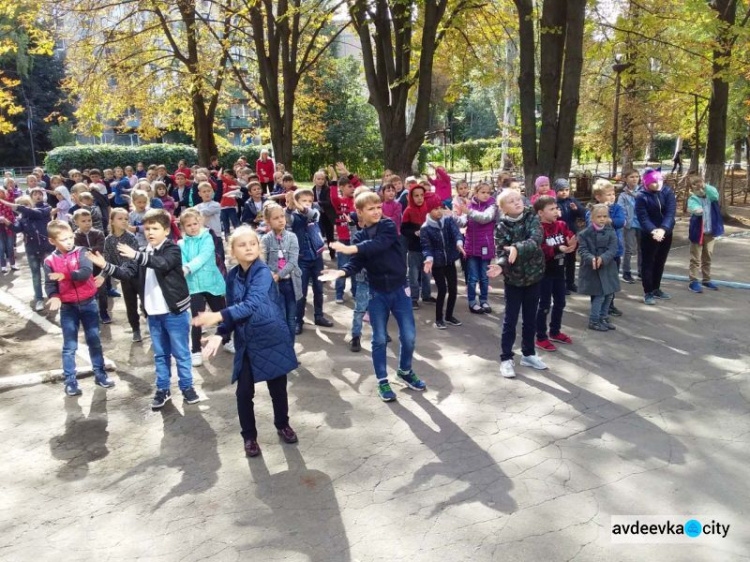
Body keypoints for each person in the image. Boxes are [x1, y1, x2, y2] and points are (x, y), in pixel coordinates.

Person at [196, 226, 298, 457]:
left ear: (258, 247)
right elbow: (233, 309)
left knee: (278, 389)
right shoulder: (232, 276)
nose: (249, 247)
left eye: (252, 243)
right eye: (242, 244)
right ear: (232, 250)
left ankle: (282, 424)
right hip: (247, 342)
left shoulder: (262, 272)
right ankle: (249, 437)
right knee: (243, 393)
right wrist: (220, 335)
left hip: (271, 338)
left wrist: (217, 316)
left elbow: (251, 304)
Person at [320, 190, 427, 402]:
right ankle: (382, 381)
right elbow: (357, 263)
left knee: (409, 336)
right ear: (359, 212)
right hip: (377, 293)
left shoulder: (387, 226)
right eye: (371, 209)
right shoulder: (359, 237)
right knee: (379, 338)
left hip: (399, 290)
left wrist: (351, 249)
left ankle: (405, 371)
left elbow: (379, 245)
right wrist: (341, 272)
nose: (377, 211)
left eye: (378, 207)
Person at [90, 209, 200, 409]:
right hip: (154, 315)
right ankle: (163, 389)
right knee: (160, 355)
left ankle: (187, 387)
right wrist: (105, 265)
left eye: (155, 228)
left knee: (181, 353)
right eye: (147, 228)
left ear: (166, 231)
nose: (150, 232)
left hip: (174, 312)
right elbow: (126, 273)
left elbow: (163, 263)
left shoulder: (172, 249)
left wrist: (136, 255)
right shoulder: (141, 253)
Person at [43, 220, 115, 396]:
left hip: (88, 303)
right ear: (52, 241)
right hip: (68, 308)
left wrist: (64, 275)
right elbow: (50, 283)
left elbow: (84, 273)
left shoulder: (82, 252)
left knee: (94, 340)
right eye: (63, 239)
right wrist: (54, 296)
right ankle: (70, 381)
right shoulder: (49, 260)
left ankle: (100, 373)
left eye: (70, 238)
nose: (68, 242)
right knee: (69, 346)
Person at [488, 189, 546, 378]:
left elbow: (536, 239)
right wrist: (500, 265)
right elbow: (502, 253)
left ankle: (528, 354)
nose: (516, 202)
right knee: (510, 320)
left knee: (531, 318)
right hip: (513, 280)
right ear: (503, 208)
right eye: (511, 201)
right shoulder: (501, 226)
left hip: (534, 277)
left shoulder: (532, 217)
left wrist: (516, 248)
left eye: (517, 199)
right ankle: (506, 359)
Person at [178, 208, 229, 366]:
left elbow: (204, 255)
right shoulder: (181, 243)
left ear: (200, 223)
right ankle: (196, 350)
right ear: (183, 227)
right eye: (188, 225)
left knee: (220, 314)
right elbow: (182, 260)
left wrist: (187, 268)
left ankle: (227, 340)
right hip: (194, 286)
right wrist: (183, 267)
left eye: (195, 223)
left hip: (212, 283)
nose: (193, 227)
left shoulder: (207, 237)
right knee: (197, 319)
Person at [285, 188, 333, 334]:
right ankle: (298, 320)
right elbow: (287, 219)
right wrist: (289, 206)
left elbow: (310, 214)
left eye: (310, 201)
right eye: (303, 201)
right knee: (301, 292)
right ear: (297, 201)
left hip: (316, 257)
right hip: (301, 259)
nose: (307, 204)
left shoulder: (315, 213)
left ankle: (319, 316)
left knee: (319, 289)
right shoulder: (293, 216)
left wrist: (300, 205)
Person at [533, 196, 576, 351]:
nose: (556, 211)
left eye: (556, 208)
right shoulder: (537, 228)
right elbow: (540, 248)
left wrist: (572, 241)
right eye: (551, 209)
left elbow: (569, 237)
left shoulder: (561, 225)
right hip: (544, 273)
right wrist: (558, 248)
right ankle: (541, 337)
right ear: (540, 212)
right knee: (544, 305)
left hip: (559, 270)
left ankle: (555, 331)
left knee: (560, 302)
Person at [1, 188, 53, 310]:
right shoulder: (22, 218)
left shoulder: (46, 209)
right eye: (35, 194)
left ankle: (53, 296)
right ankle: (39, 299)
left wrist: (10, 204)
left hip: (47, 248)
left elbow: (36, 213)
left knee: (49, 275)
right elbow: (17, 229)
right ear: (31, 198)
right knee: (36, 275)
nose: (38, 196)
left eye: (40, 194)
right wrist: (7, 222)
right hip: (31, 250)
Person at [421, 198, 465, 329]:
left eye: (440, 208)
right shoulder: (425, 228)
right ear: (429, 210)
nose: (439, 211)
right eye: (435, 209)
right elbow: (426, 246)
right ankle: (439, 318)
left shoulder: (448, 221)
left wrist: (458, 243)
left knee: (453, 289)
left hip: (450, 260)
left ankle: (449, 316)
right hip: (437, 263)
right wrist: (429, 259)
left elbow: (456, 233)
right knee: (442, 290)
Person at [261, 203, 302, 342]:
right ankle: (281, 349)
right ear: (268, 221)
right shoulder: (266, 239)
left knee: (291, 319)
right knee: (280, 318)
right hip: (275, 286)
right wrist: (270, 274)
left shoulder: (292, 237)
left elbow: (293, 262)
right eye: (276, 218)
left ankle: (290, 350)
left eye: (282, 216)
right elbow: (263, 262)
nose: (280, 220)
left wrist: (279, 274)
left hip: (290, 283)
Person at [635, 169, 676, 305]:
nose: (657, 184)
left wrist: (663, 230)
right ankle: (648, 292)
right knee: (648, 263)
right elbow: (643, 217)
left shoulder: (667, 192)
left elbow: (670, 213)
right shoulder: (641, 196)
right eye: (653, 182)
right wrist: (654, 230)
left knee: (660, 261)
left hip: (666, 233)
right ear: (646, 183)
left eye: (659, 180)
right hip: (649, 234)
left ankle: (656, 288)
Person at [577, 204, 621, 331]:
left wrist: (603, 258)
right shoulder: (584, 234)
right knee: (599, 295)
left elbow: (613, 248)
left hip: (607, 267)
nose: (602, 219)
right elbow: (582, 250)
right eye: (599, 216)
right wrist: (592, 258)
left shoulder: (611, 231)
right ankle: (594, 320)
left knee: (609, 294)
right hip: (593, 269)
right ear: (592, 218)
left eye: (605, 216)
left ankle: (604, 317)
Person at [455, 182, 496, 314]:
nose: (486, 195)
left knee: (484, 277)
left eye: (488, 192)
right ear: (476, 193)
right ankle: (472, 302)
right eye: (482, 192)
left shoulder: (492, 205)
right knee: (472, 277)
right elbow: (462, 221)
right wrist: (451, 215)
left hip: (485, 247)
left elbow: (485, 218)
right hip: (471, 248)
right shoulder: (470, 206)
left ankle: (484, 300)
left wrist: (469, 211)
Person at [587, 178, 625, 317]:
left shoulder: (617, 208)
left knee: (612, 281)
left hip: (615, 252)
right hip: (599, 253)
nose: (612, 197)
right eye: (608, 194)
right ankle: (596, 307)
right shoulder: (593, 210)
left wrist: (610, 219)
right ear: (598, 197)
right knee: (598, 282)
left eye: (613, 194)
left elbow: (621, 222)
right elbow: (590, 226)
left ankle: (610, 305)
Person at [104, 208, 143, 342]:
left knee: (146, 302)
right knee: (130, 304)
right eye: (120, 219)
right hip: (124, 278)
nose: (124, 221)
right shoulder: (108, 240)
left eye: (126, 219)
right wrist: (103, 276)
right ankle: (135, 329)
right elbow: (107, 260)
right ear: (112, 221)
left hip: (138, 275)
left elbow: (132, 260)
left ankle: (153, 324)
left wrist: (121, 271)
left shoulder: (130, 237)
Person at [686, 175, 724, 293]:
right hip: (698, 233)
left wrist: (704, 186)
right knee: (695, 258)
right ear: (691, 189)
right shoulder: (693, 199)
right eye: (695, 185)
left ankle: (706, 280)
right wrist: (697, 210)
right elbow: (694, 208)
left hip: (710, 232)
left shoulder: (711, 198)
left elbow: (715, 194)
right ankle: (693, 281)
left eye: (700, 184)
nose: (699, 188)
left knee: (707, 257)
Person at [72, 209, 110, 324]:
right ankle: (90, 315)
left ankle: (104, 313)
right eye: (83, 221)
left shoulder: (98, 233)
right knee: (88, 293)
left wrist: (88, 250)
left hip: (98, 266)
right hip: (83, 268)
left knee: (102, 291)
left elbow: (101, 248)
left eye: (89, 220)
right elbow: (78, 251)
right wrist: (90, 250)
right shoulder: (74, 236)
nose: (87, 223)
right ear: (76, 222)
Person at [401, 182, 434, 308]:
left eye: (422, 195)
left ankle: (426, 296)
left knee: (427, 274)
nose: (419, 198)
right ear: (411, 197)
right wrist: (414, 232)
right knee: (413, 276)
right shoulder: (408, 211)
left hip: (428, 249)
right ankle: (413, 298)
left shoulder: (429, 209)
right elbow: (403, 229)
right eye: (416, 195)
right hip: (414, 249)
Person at [330, 176, 358, 303]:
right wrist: (334, 181)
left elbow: (360, 188)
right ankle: (339, 293)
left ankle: (356, 292)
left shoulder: (357, 200)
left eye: (353, 186)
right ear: (341, 188)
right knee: (343, 266)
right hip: (343, 240)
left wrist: (349, 174)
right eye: (349, 186)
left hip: (356, 239)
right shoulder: (339, 201)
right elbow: (333, 196)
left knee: (356, 266)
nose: (352, 188)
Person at [554, 178, 585, 293]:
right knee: (561, 261)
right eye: (561, 190)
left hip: (571, 234)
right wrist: (557, 215)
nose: (564, 192)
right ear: (556, 191)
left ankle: (570, 283)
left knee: (571, 260)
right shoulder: (554, 203)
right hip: (559, 236)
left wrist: (576, 209)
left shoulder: (572, 200)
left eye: (566, 189)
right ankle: (561, 285)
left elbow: (582, 213)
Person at [617, 168, 642, 283]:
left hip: (642, 224)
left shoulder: (643, 191)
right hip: (630, 225)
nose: (634, 179)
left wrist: (634, 195)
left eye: (636, 176)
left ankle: (641, 271)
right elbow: (620, 209)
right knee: (629, 249)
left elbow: (645, 202)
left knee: (642, 248)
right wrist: (625, 221)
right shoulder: (623, 195)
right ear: (626, 179)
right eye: (631, 177)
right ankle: (626, 272)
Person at [0, 187, 17, 273]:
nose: (0, 194)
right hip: (0, 229)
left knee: (10, 247)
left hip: (9, 227)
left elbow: (12, 196)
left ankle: (13, 264)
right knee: (1, 248)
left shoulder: (8, 201)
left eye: (1, 192)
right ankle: (3, 266)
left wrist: (10, 188)